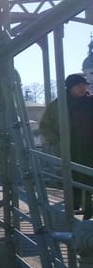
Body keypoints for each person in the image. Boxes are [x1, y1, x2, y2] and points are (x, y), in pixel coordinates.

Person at [39, 73, 93, 219]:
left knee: (90, 178)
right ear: (70, 87)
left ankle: (89, 212)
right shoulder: (57, 105)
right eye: (78, 86)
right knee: (72, 178)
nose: (82, 88)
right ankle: (74, 209)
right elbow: (45, 126)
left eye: (84, 85)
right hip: (69, 148)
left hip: (89, 146)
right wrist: (56, 140)